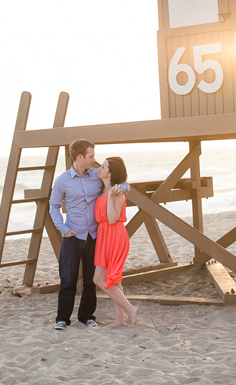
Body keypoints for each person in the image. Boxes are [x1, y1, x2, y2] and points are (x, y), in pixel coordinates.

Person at [48, 139, 128, 330]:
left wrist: (124, 187)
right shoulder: (62, 181)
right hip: (73, 235)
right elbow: (53, 206)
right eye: (91, 156)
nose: (94, 160)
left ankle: (87, 317)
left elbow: (120, 181)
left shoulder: (96, 174)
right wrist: (63, 228)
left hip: (94, 236)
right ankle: (62, 319)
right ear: (80, 157)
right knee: (67, 280)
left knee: (90, 281)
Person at [93, 156, 139, 327]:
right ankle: (119, 320)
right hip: (104, 235)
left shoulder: (117, 192)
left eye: (103, 167)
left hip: (114, 234)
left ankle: (130, 309)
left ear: (110, 173)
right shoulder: (102, 191)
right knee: (114, 280)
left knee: (99, 279)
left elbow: (112, 219)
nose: (99, 169)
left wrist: (111, 197)